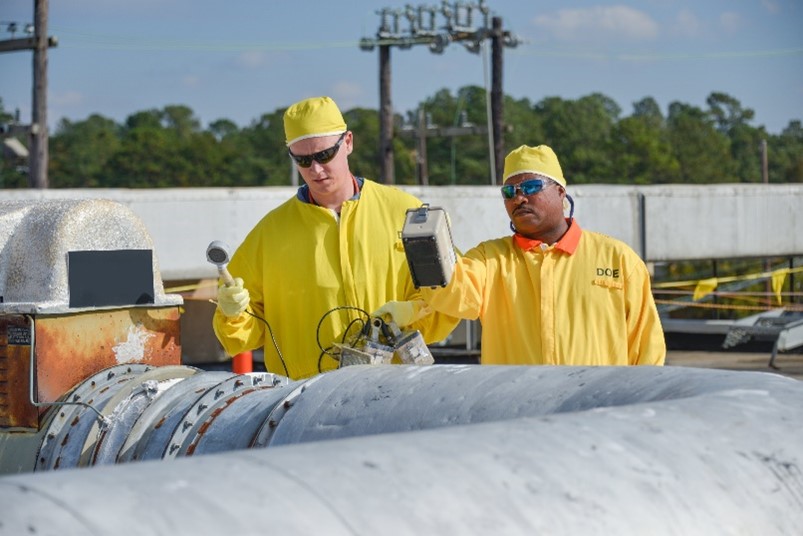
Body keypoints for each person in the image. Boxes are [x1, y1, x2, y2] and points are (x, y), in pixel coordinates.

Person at [212, 96, 458, 379]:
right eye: (303, 160)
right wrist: (231, 313)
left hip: (394, 393)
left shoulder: (406, 213)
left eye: (324, 155)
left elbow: (450, 294)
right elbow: (242, 335)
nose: (315, 170)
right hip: (304, 402)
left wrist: (412, 311)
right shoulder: (269, 234)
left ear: (349, 142)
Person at [410, 144, 666, 366]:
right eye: (509, 192)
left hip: (596, 415)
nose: (519, 198)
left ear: (560, 192)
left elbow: (647, 349)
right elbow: (453, 295)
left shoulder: (618, 259)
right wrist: (429, 250)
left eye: (531, 187)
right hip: (518, 414)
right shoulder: (490, 259)